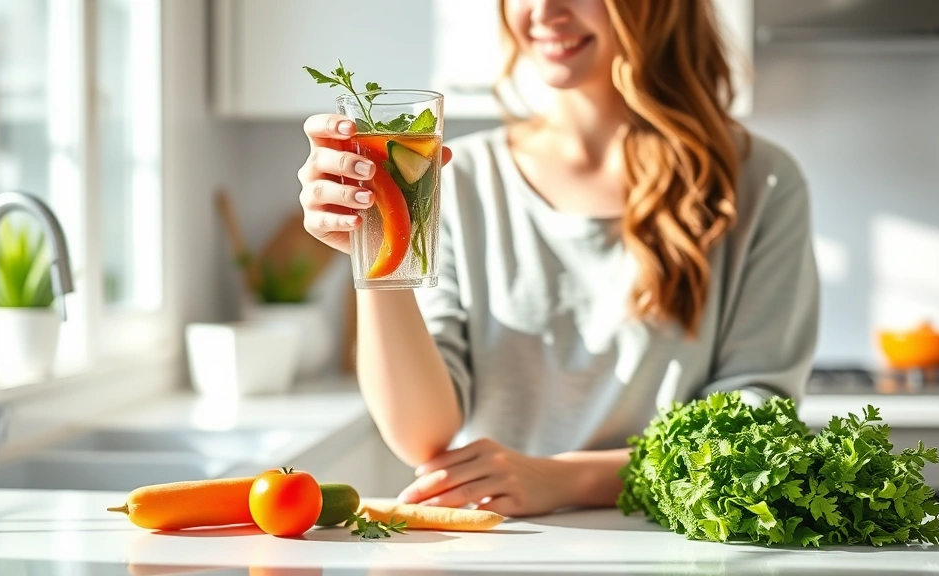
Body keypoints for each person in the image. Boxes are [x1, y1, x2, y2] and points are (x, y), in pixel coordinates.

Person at [295, 0, 819, 518]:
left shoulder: (761, 183)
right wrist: (373, 245)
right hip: (507, 552)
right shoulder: (462, 179)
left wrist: (568, 479)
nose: (544, 10)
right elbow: (422, 434)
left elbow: (757, 422)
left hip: (682, 547)